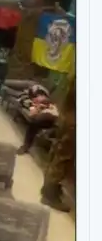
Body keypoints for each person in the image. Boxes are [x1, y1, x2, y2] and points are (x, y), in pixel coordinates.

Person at [39, 77, 76, 212]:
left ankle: (49, 189)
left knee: (58, 155)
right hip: (72, 122)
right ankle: (49, 194)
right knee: (62, 158)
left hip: (68, 119)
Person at [16, 84, 59, 154]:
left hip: (52, 117)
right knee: (33, 124)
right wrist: (38, 108)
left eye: (41, 96)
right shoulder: (33, 104)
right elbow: (31, 115)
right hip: (42, 120)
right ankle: (26, 146)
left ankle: (26, 146)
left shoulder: (48, 101)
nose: (39, 98)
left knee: (37, 121)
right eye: (36, 97)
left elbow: (55, 113)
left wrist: (47, 106)